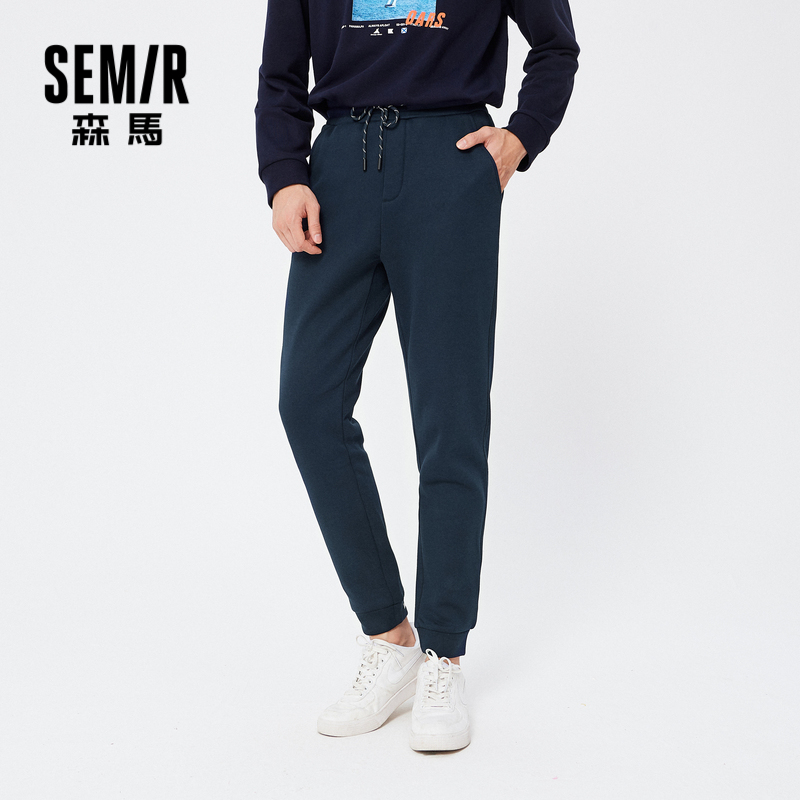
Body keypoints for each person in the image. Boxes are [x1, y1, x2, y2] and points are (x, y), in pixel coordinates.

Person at [255, 0, 579, 751]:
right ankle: (389, 635)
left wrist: (521, 136)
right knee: (307, 402)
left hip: (450, 161)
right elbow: (280, 74)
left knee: (449, 415)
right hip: (339, 167)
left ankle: (444, 654)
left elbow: (556, 46)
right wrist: (284, 174)